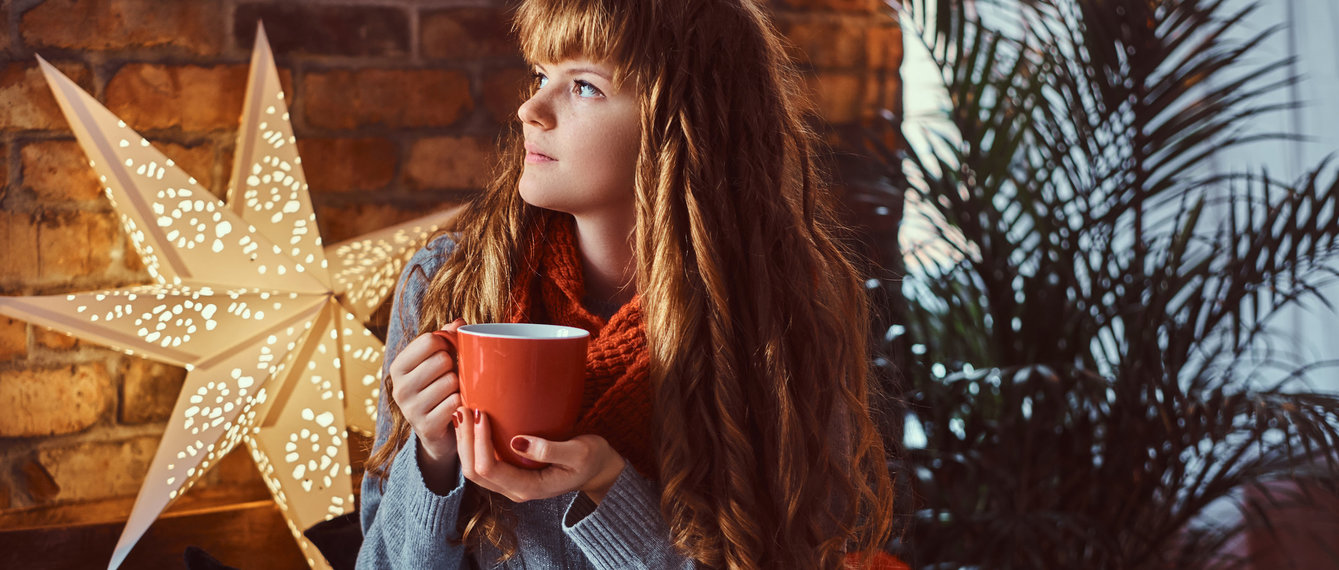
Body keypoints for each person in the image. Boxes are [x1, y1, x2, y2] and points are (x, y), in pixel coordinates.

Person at [356, 0, 899, 568]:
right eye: (541, 75)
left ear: (684, 124)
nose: (530, 109)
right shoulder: (449, 283)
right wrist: (432, 459)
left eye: (584, 86)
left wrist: (608, 489)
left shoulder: (774, 316)